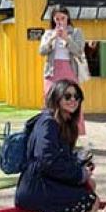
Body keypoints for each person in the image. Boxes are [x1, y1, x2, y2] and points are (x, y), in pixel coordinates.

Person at [14, 79, 98, 212]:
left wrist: (79, 164)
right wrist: (79, 173)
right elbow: (47, 160)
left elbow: (57, 157)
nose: (73, 100)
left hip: (42, 182)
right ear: (56, 98)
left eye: (77, 96)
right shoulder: (49, 122)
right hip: (36, 187)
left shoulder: (62, 122)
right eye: (67, 96)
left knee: (90, 183)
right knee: (89, 201)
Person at [39, 7, 86, 135]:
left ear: (67, 18)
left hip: (69, 69)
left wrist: (67, 38)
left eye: (63, 18)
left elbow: (79, 51)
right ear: (53, 20)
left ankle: (73, 132)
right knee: (51, 100)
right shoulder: (49, 33)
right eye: (57, 19)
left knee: (71, 99)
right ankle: (50, 131)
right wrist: (53, 38)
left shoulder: (76, 32)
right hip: (52, 71)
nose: (60, 21)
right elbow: (41, 51)